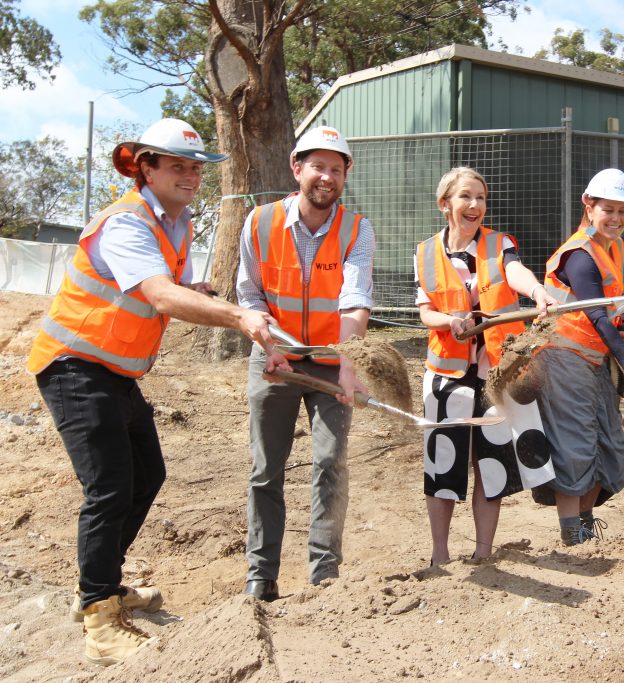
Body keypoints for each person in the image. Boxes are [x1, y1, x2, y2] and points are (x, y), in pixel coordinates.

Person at [27, 118, 288, 666]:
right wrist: (239, 315)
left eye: (196, 168)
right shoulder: (127, 223)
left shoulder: (178, 220)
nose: (191, 176)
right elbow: (160, 297)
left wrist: (198, 289)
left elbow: (172, 287)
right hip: (75, 365)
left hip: (116, 372)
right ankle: (99, 617)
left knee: (148, 475)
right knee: (109, 488)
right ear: (145, 167)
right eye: (178, 166)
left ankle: (98, 583)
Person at [237, 126, 373, 601]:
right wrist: (268, 343)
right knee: (265, 469)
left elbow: (355, 303)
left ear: (346, 175)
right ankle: (261, 575)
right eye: (318, 166)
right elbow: (249, 296)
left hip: (331, 364)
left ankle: (324, 572)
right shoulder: (259, 222)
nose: (327, 177)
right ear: (297, 168)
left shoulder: (356, 229)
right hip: (273, 359)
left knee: (331, 461)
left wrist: (349, 368)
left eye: (337, 169)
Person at [414, 166, 556, 565]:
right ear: (445, 204)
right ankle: (440, 553)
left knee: (490, 462)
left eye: (480, 197)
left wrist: (537, 290)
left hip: (494, 373)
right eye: (465, 196)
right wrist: (449, 322)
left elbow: (515, 272)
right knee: (443, 462)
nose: (475, 204)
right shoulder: (425, 252)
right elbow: (425, 310)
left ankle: (483, 552)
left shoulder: (499, 244)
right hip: (446, 374)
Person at [534, 168, 624, 546]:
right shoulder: (580, 257)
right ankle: (574, 537)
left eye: (623, 211)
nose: (616, 219)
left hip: (593, 356)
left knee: (608, 445)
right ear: (589, 205)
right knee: (575, 447)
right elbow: (593, 314)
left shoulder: (612, 247)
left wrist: (619, 336)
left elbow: (604, 316)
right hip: (562, 359)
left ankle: (584, 527)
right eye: (609, 210)